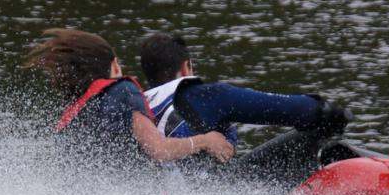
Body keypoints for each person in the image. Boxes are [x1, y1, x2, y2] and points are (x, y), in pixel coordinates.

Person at [139, 32, 350, 189]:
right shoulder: (205, 95)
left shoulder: (140, 108)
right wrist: (330, 113)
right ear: (186, 67)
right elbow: (293, 109)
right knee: (313, 132)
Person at [25, 28, 233, 170]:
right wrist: (205, 141)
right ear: (114, 65)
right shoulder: (123, 90)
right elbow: (159, 149)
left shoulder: (74, 116)